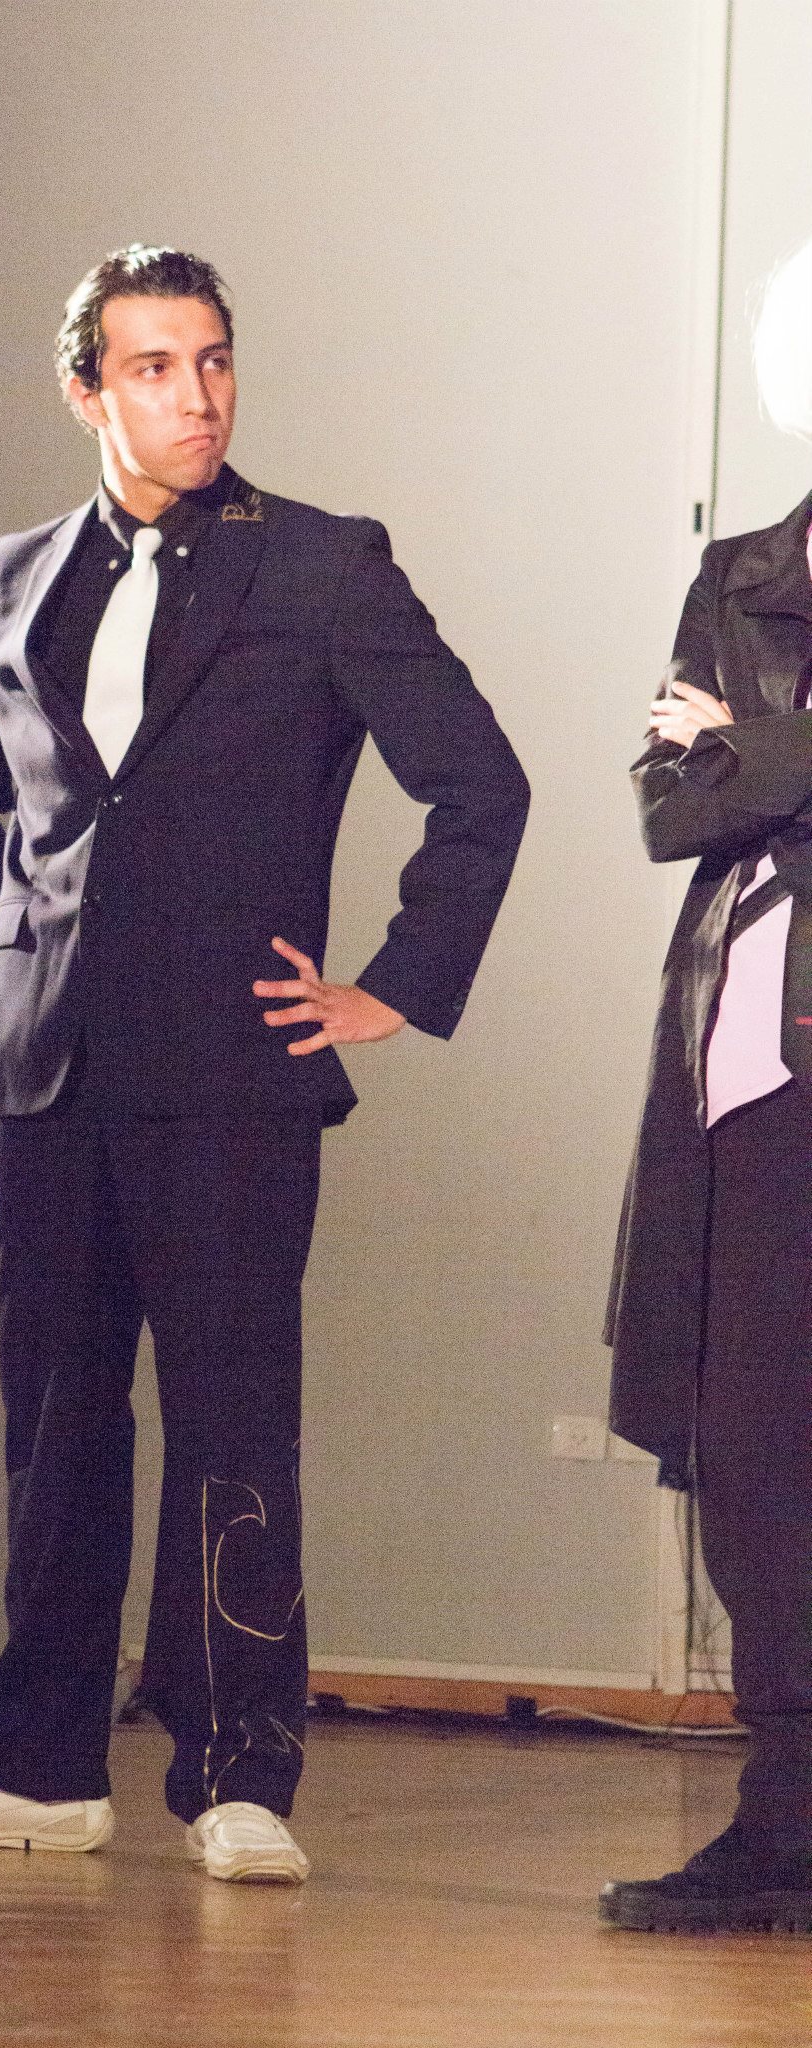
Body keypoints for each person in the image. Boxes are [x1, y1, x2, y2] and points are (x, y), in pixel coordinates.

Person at [0, 244, 529, 1883]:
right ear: (87, 391)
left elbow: (478, 784)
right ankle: (31, 1770)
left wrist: (395, 988)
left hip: (230, 1074)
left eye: (212, 359)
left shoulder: (322, 564)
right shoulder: (8, 577)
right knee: (55, 1428)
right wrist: (15, 965)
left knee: (232, 1425)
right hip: (48, 1076)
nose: (196, 395)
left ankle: (236, 1779)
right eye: (154, 367)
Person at [600, 293, 811, 1929]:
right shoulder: (739, 571)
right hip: (744, 1068)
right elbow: (668, 803)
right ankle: (785, 1827)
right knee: (753, 1463)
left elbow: (720, 766)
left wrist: (753, 746)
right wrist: (756, 758)